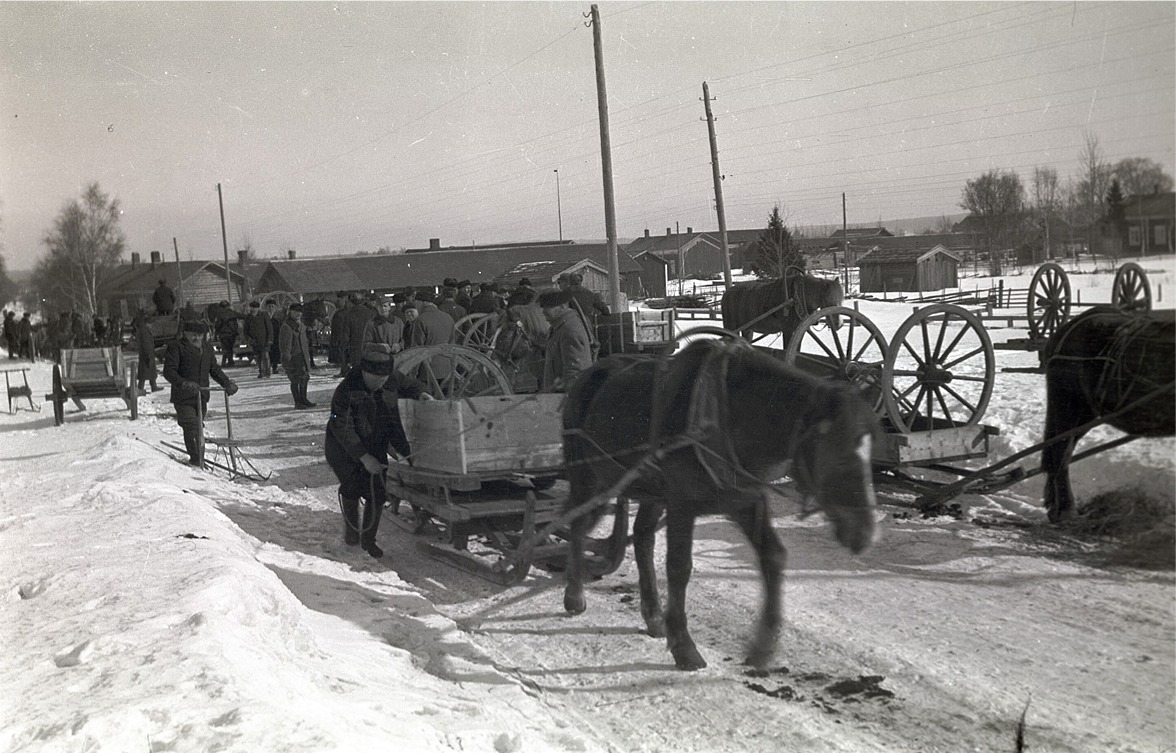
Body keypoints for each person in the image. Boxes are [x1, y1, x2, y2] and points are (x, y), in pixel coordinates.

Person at [324, 344, 431, 558]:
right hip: (344, 448)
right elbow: (342, 428)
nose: (380, 382)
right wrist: (364, 458)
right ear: (364, 372)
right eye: (375, 378)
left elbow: (412, 385)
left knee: (377, 492)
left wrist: (422, 394)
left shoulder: (391, 378)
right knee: (352, 487)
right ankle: (352, 533)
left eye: (383, 378)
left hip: (376, 441)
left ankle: (368, 540)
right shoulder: (345, 391)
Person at [162, 320, 238, 467]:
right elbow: (169, 371)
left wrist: (227, 382)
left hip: (201, 395)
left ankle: (199, 457)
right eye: (193, 336)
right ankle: (196, 459)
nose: (197, 338)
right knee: (191, 425)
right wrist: (183, 383)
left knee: (198, 427)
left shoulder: (207, 348)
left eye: (200, 335)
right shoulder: (176, 347)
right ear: (185, 334)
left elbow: (214, 369)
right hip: (183, 396)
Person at [539, 289, 593, 393]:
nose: (543, 311)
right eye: (543, 307)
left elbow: (575, 373)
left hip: (563, 399)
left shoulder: (570, 330)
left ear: (563, 306)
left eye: (548, 307)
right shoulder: (558, 328)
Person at [279, 302, 315, 409]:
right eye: (295, 312)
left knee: (305, 378)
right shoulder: (287, 327)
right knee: (295, 380)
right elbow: (285, 348)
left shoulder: (302, 326)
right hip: (293, 360)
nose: (298, 314)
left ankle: (304, 399)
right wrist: (288, 363)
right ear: (290, 312)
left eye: (300, 312)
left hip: (303, 358)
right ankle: (297, 402)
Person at [132, 309, 160, 393]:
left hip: (146, 353)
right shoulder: (144, 331)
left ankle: (153, 386)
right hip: (147, 354)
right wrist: (148, 355)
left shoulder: (143, 329)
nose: (152, 326)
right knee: (145, 373)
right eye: (151, 324)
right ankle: (141, 388)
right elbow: (146, 343)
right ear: (148, 323)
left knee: (149, 371)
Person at [244, 300, 273, 378]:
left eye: (255, 308)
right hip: (254, 341)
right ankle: (261, 372)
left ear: (258, 308)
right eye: (252, 307)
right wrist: (249, 339)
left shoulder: (264, 315)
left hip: (264, 340)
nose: (253, 309)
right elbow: (245, 330)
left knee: (266, 357)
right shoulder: (248, 317)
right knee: (258, 357)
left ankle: (267, 373)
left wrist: (269, 339)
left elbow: (269, 328)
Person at [214, 301, 239, 367]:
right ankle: (226, 362)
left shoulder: (220, 315)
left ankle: (229, 362)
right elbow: (242, 316)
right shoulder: (232, 313)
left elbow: (217, 325)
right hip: (232, 334)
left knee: (225, 348)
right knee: (229, 348)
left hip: (223, 334)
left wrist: (216, 334)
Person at [266, 301, 283, 374]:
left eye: (272, 306)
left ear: (275, 308)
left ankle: (274, 368)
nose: (271, 308)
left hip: (276, 337)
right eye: (269, 306)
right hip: (266, 337)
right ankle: (266, 369)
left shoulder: (278, 317)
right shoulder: (264, 316)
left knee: (275, 352)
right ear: (266, 307)